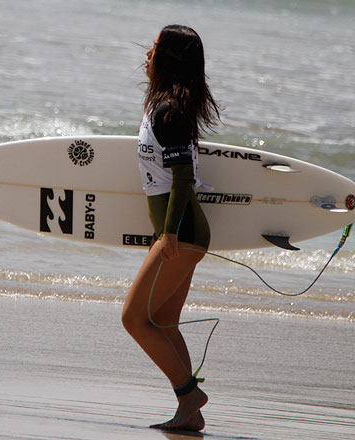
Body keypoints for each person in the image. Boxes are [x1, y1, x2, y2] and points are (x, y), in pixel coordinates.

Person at [121, 24, 222, 432]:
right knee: (162, 323)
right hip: (179, 233)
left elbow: (182, 179)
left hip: (181, 234)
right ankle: (190, 413)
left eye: (155, 47)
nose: (147, 52)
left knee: (133, 319)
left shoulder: (170, 112)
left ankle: (188, 393)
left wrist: (168, 235)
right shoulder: (162, 106)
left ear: (170, 59)